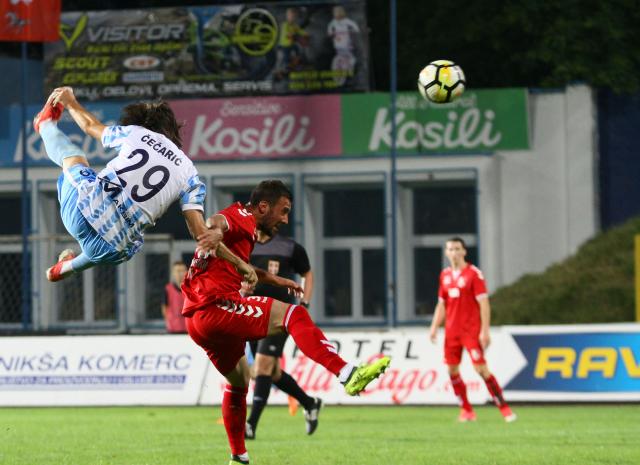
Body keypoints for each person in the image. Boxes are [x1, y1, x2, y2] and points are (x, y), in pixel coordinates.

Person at [182, 180, 391, 465]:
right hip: (216, 307)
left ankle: (239, 457)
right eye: (283, 211)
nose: (285, 219)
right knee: (295, 315)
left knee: (240, 380)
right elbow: (216, 223)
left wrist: (275, 279)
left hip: (196, 321)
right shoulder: (240, 217)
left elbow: (237, 263)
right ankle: (346, 373)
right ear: (263, 206)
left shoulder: (244, 228)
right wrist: (214, 231)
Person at [32, 87, 216, 282]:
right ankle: (66, 267)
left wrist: (70, 103)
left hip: (81, 214)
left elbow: (90, 126)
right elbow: (200, 234)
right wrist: (233, 258)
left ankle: (45, 124)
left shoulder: (138, 133)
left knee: (74, 157)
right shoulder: (190, 173)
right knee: (130, 241)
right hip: (112, 250)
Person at [429, 237, 516, 423]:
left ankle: (504, 408)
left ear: (464, 251)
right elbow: (441, 304)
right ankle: (467, 410)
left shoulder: (474, 274)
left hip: (470, 331)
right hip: (452, 332)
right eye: (450, 249)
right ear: (446, 253)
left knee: (481, 369)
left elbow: (484, 303)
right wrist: (434, 327)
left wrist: (485, 330)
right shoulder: (444, 275)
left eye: (457, 249)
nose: (453, 253)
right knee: (452, 370)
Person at [243, 232, 320, 440]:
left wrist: (305, 303)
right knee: (272, 372)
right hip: (252, 314)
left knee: (262, 366)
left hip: (279, 316)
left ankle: (250, 425)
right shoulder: (246, 245)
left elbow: (307, 273)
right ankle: (310, 403)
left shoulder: (289, 247)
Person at [162, 261, 188, 333]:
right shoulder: (168, 289)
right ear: (173, 273)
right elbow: (164, 307)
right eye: (178, 271)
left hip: (189, 329)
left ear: (187, 272)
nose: (180, 274)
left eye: (183, 270)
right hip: (173, 329)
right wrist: (169, 321)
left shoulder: (192, 288)